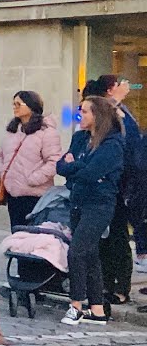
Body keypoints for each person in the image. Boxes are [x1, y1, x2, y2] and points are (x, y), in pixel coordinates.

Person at [57, 96, 125, 326]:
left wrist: (75, 165)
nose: (80, 115)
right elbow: (61, 167)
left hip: (99, 204)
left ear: (98, 115)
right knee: (90, 254)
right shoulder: (79, 138)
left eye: (85, 111)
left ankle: (75, 304)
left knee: (76, 252)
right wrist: (77, 166)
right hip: (78, 200)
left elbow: (90, 172)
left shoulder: (112, 143)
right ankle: (97, 310)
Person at [83, 75, 142, 307]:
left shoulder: (120, 113)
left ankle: (120, 287)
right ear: (111, 90)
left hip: (120, 183)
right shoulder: (110, 110)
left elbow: (129, 147)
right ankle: (106, 283)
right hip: (107, 183)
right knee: (104, 237)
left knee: (117, 235)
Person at [0, 91, 62, 230]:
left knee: (32, 236)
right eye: (13, 104)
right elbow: (0, 154)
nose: (15, 107)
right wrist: (2, 174)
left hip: (35, 195)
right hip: (13, 194)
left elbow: (54, 161)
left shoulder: (47, 132)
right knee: (16, 234)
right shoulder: (12, 130)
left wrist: (33, 179)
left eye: (18, 104)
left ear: (32, 106)